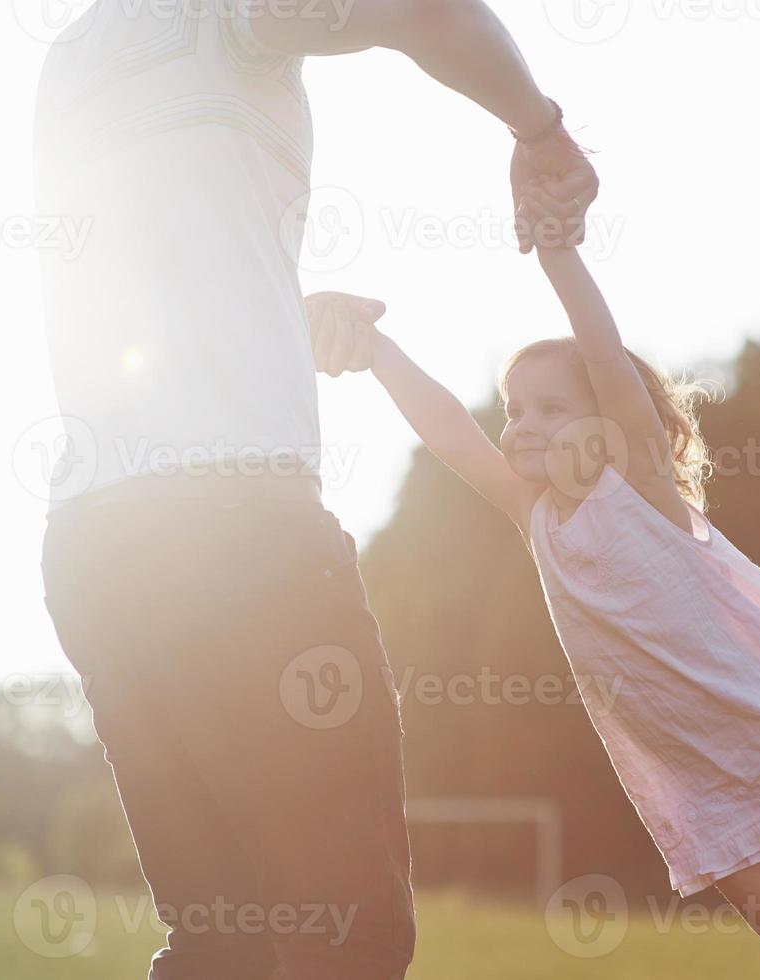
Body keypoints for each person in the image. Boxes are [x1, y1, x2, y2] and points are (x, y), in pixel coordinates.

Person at [305, 183, 760, 979]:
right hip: (686, 757)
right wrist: (378, 355)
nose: (523, 426)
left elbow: (607, 360)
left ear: (607, 423)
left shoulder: (641, 484)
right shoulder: (535, 515)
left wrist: (559, 255)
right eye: (516, 412)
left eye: (551, 408)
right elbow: (451, 429)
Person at [31, 2, 597, 978]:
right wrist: (539, 132)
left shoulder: (74, 57)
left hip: (95, 543)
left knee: (222, 941)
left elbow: (149, 274)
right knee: (347, 927)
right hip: (231, 532)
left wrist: (278, 321)